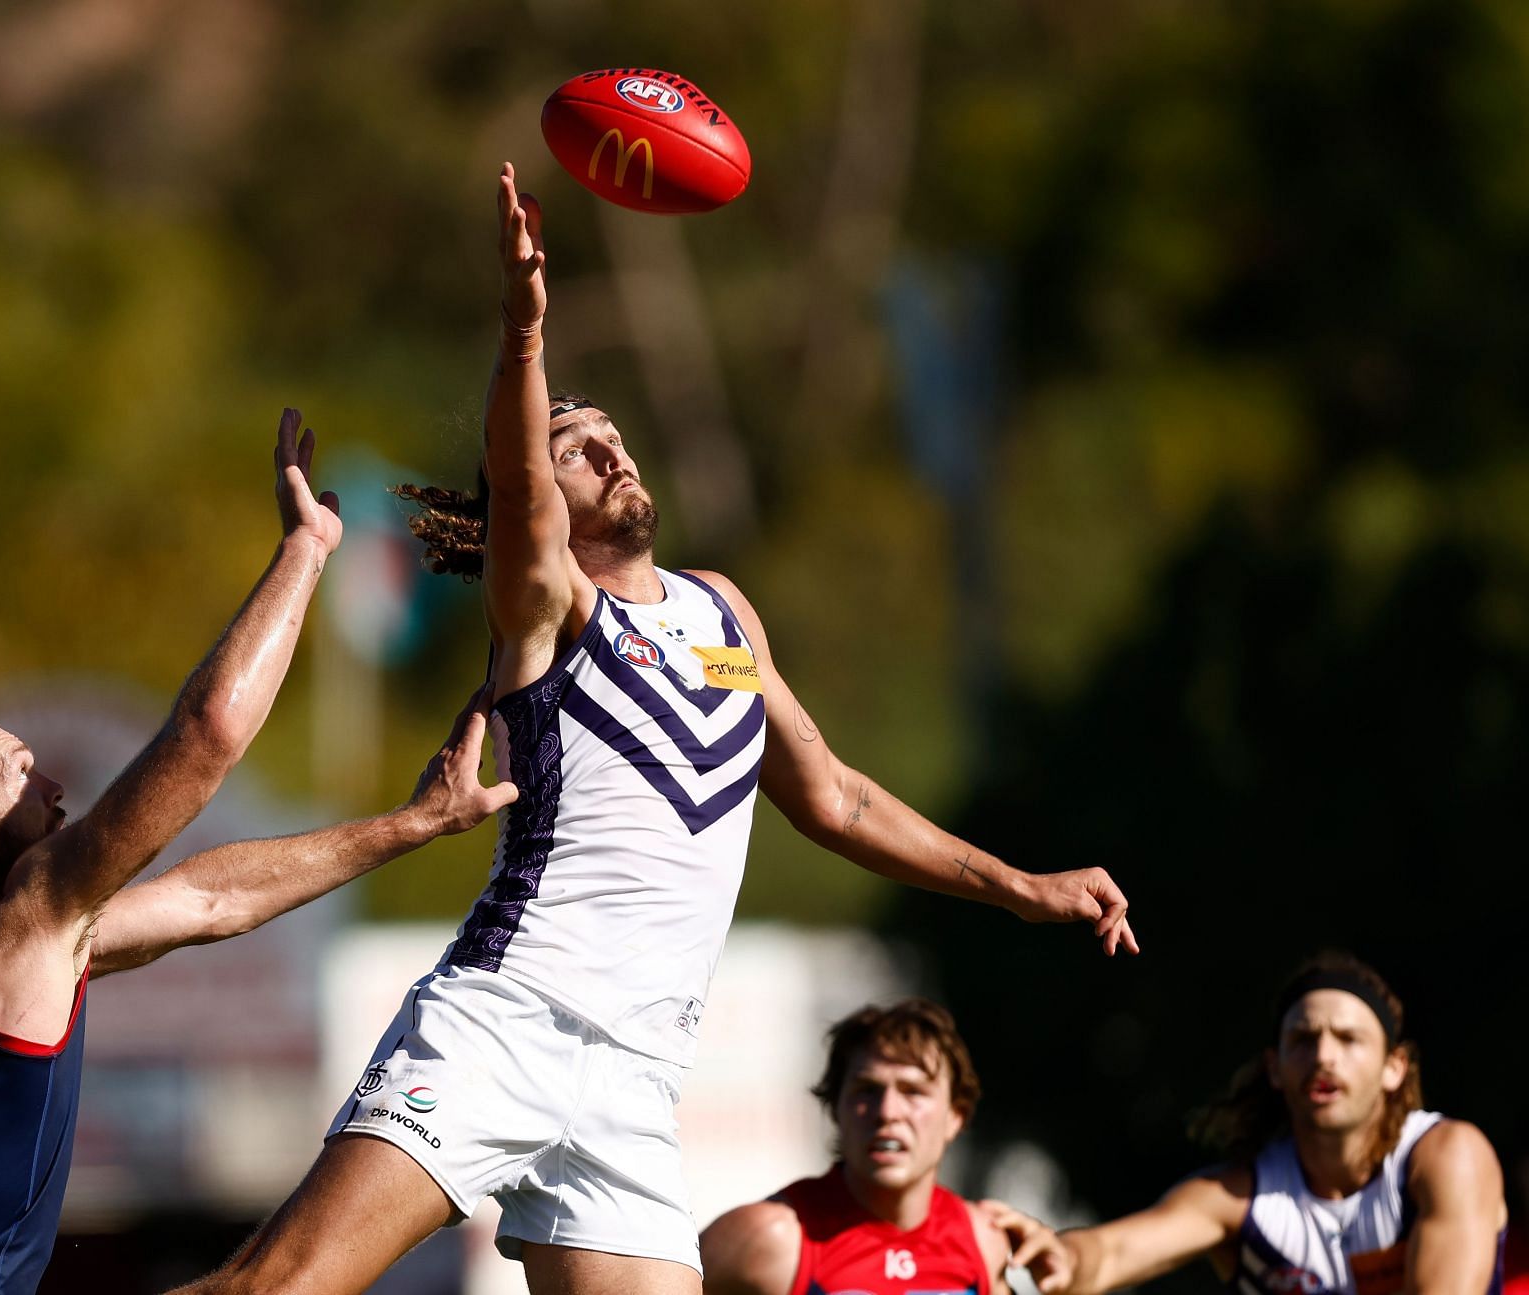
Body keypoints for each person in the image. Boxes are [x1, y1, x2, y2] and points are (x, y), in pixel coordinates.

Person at [178, 166, 1136, 1295]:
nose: (614, 454)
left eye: (618, 437)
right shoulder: (543, 606)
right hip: (507, 1019)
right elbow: (522, 488)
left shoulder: (724, 609)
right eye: (580, 446)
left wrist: (1021, 885)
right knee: (274, 1289)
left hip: (636, 1073)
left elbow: (837, 797)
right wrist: (525, 336)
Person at [0, 410, 517, 1293]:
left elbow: (208, 900)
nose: (52, 786)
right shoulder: (21, 924)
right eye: (20, 774)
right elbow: (205, 735)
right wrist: (306, 552)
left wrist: (409, 824)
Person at [988, 952, 1508, 1294]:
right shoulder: (1242, 1197)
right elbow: (1112, 1251)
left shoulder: (1448, 1156)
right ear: (1275, 1069)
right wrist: (1063, 1255)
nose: (1324, 1056)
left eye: (1349, 1039)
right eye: (1303, 1040)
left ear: (1394, 1068)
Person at [700, 999, 1016, 1295]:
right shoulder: (771, 1236)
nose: (887, 1111)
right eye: (867, 1090)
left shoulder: (985, 1242)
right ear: (836, 1108)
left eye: (913, 1091)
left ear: (955, 1116)